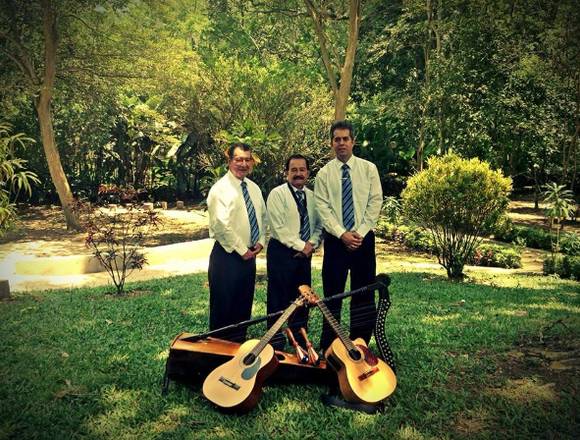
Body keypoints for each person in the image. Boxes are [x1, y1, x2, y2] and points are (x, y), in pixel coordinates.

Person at [314, 120, 383, 352]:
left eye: (345, 138)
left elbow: (375, 202)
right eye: (337, 139)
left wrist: (359, 233)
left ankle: (360, 344)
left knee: (363, 293)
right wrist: (343, 234)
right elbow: (323, 208)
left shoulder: (368, 169)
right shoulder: (324, 174)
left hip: (363, 240)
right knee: (332, 295)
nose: (341, 143)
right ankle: (330, 345)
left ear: (353, 141)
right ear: (332, 143)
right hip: (335, 241)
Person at [206, 143, 268, 342]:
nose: (243, 164)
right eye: (238, 159)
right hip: (227, 257)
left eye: (247, 159)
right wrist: (242, 250)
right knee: (224, 310)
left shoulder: (254, 188)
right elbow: (220, 225)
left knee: (242, 309)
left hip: (249, 257)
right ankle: (217, 354)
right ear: (229, 161)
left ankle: (237, 350)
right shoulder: (220, 189)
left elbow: (262, 218)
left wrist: (260, 242)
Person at [266, 154, 322, 350]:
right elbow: (278, 228)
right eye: (294, 170)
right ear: (286, 172)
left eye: (302, 170)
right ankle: (275, 343)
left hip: (304, 255)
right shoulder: (277, 194)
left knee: (302, 298)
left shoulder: (313, 197)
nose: (298, 174)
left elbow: (319, 226)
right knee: (278, 299)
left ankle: (299, 339)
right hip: (282, 253)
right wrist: (302, 246)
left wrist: (311, 244)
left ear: (307, 172)